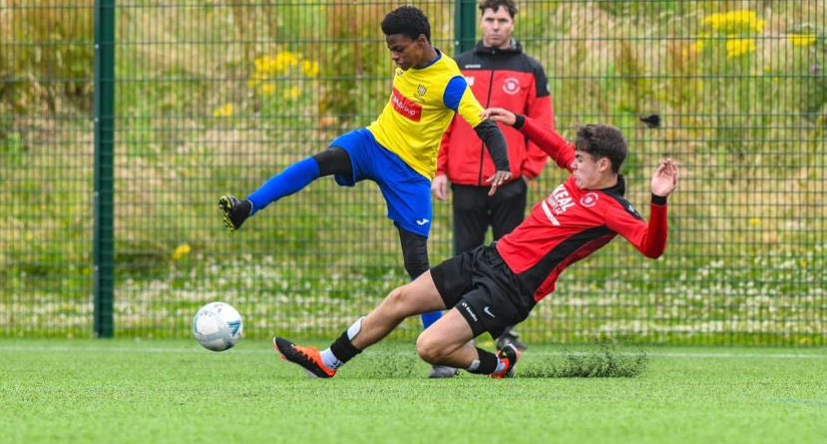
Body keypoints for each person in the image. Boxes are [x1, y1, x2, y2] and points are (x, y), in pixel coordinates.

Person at [274, 108, 679, 380]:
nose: (573, 162)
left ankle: (499, 365)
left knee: (429, 347)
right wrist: (517, 120)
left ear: (603, 165)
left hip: (511, 288)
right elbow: (556, 146)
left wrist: (658, 199)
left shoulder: (612, 208)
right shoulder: (581, 174)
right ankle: (326, 362)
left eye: (582, 160)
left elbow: (652, 247)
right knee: (400, 299)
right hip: (490, 257)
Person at [219, 5, 512, 378]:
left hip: (411, 176)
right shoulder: (407, 62)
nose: (394, 56)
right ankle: (248, 206)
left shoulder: (450, 83)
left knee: (417, 264)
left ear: (422, 42)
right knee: (320, 162)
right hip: (373, 144)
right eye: (390, 49)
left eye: (399, 49)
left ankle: (443, 357)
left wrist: (501, 164)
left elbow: (485, 127)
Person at [432, 0, 554, 351]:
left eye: (502, 21)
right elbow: (445, 123)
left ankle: (505, 332)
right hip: (465, 181)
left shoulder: (530, 69)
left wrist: (528, 170)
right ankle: (459, 332)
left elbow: (541, 123)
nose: (495, 27)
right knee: (465, 256)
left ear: (513, 23)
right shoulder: (460, 66)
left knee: (510, 258)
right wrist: (440, 170)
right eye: (489, 20)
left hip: (510, 183)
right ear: (481, 21)